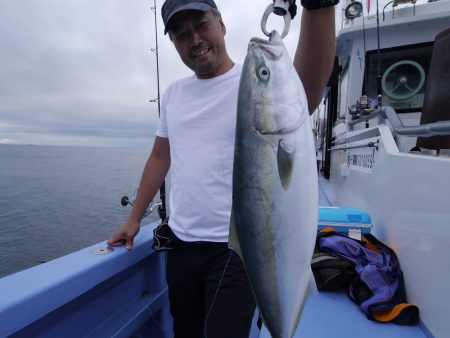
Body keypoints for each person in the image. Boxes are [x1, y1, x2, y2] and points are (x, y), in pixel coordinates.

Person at [107, 0, 336, 337]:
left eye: (201, 25)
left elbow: (308, 91)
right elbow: (159, 159)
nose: (195, 39)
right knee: (186, 331)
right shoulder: (173, 95)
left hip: (236, 250)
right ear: (173, 44)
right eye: (182, 34)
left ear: (221, 23)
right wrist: (134, 218)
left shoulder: (255, 82)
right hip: (181, 245)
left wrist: (320, 8)